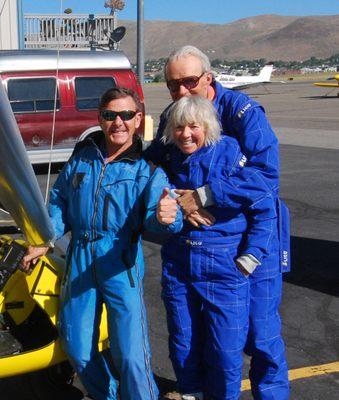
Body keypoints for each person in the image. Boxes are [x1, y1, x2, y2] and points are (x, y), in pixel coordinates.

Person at [144, 46, 290, 399]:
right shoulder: (172, 115)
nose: (181, 91)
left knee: (260, 332)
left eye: (189, 81)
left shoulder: (242, 113)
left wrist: (204, 195)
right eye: (172, 85)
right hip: (200, 243)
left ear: (208, 78)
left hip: (256, 236)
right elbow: (154, 164)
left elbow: (266, 177)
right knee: (193, 334)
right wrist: (177, 196)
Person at [22, 87, 182, 400]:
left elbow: (159, 218)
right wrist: (45, 239)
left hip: (120, 264)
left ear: (138, 120)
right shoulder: (82, 158)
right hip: (80, 258)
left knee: (131, 357)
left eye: (126, 115)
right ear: (100, 119)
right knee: (78, 348)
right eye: (110, 115)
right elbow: (60, 203)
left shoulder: (148, 172)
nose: (118, 122)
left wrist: (166, 217)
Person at [160, 95, 277, 400]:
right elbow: (149, 184)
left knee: (226, 349)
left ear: (208, 126)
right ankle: (190, 393)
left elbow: (264, 208)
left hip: (224, 266)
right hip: (179, 262)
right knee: (183, 342)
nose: (185, 134)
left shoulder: (230, 153)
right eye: (179, 127)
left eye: (193, 127)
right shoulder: (168, 158)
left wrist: (250, 257)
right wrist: (174, 198)